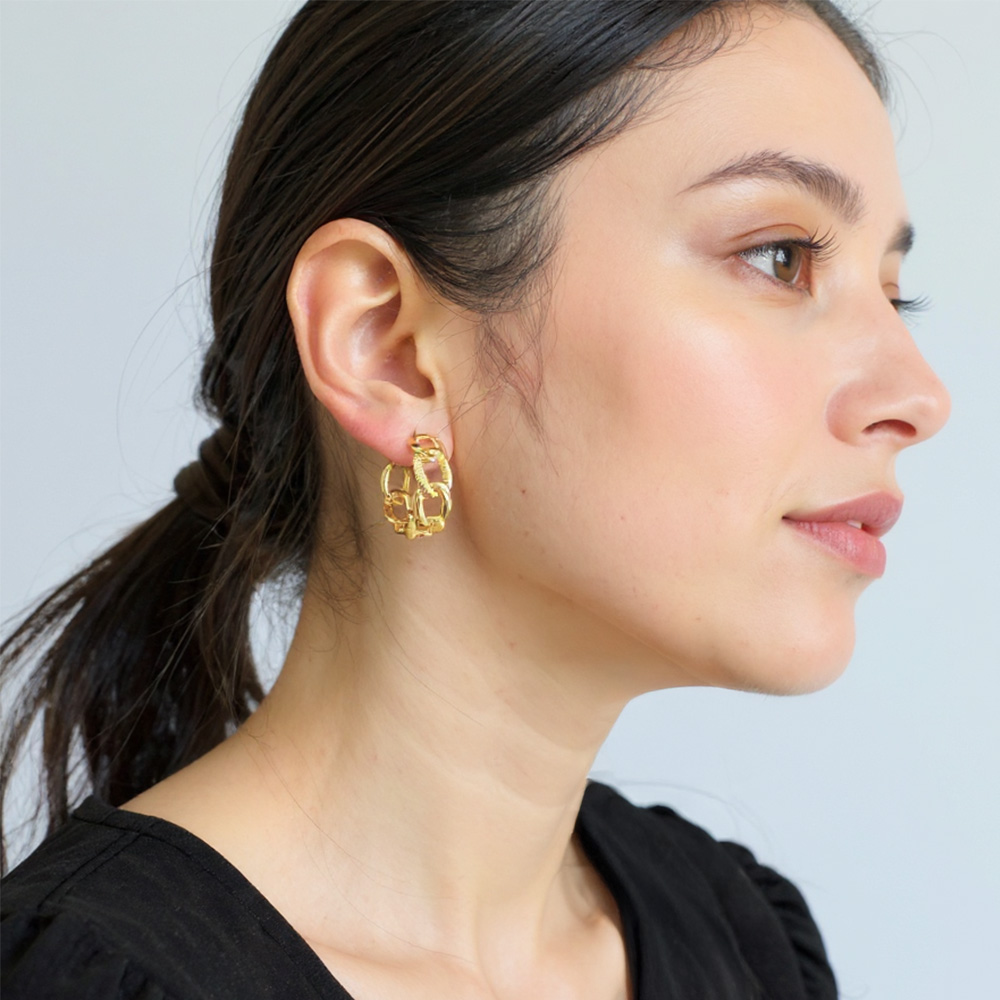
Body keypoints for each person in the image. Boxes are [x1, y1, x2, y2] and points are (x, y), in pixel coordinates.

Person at [0, 1, 950, 997]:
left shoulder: (746, 943)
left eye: (894, 293)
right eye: (779, 257)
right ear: (387, 348)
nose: (919, 396)